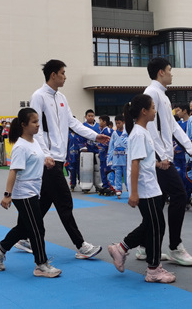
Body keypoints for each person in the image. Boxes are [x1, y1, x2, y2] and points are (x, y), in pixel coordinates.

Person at [30, 59, 108, 259]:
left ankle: (15, 240)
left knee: (42, 205)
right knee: (65, 203)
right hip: (48, 160)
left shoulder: (62, 98)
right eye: (63, 73)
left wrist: (94, 135)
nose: (65, 77)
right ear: (53, 75)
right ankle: (81, 245)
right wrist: (45, 154)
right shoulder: (38, 97)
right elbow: (36, 130)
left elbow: (73, 123)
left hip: (58, 159)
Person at [107, 94, 176, 283]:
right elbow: (135, 164)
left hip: (150, 186)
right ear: (144, 111)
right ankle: (153, 269)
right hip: (145, 188)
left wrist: (157, 164)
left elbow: (144, 160)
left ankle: (121, 248)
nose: (155, 111)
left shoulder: (143, 132)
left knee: (152, 224)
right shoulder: (138, 134)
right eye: (153, 107)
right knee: (155, 227)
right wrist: (134, 193)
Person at [0, 108, 62, 278]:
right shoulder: (20, 147)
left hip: (34, 191)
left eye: (38, 121)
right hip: (24, 194)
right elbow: (13, 171)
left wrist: (46, 161)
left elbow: (34, 160)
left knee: (23, 227)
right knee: (37, 229)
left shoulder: (34, 142)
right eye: (34, 122)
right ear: (23, 124)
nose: (37, 125)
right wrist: (7, 195)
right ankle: (41, 264)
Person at [142, 58, 192, 266]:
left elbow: (174, 127)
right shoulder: (151, 93)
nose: (171, 73)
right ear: (161, 72)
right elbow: (149, 129)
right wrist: (161, 157)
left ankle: (144, 246)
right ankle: (175, 246)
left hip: (164, 157)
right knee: (179, 195)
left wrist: (191, 150)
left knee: (158, 202)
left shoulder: (163, 96)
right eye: (169, 70)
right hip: (159, 160)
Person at [107, 115, 128, 198]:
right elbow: (111, 146)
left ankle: (129, 188)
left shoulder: (127, 133)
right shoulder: (114, 134)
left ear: (123, 122)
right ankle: (118, 189)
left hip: (125, 157)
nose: (118, 125)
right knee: (117, 174)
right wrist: (109, 158)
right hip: (116, 157)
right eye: (116, 123)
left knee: (127, 174)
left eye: (119, 123)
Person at [97, 115, 115, 192]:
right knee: (102, 169)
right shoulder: (101, 131)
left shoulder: (108, 131)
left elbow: (111, 142)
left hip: (107, 154)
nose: (99, 122)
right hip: (102, 154)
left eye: (100, 121)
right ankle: (105, 185)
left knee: (107, 169)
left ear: (104, 122)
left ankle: (110, 186)